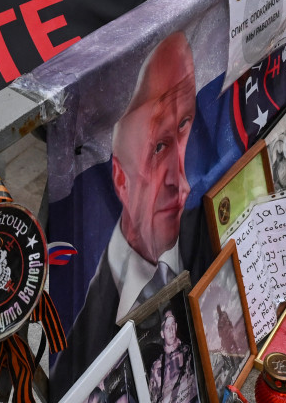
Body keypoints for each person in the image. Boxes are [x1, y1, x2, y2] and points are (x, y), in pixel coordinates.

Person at [55, 33, 195, 398]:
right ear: (120, 178)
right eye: (159, 147)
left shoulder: (211, 234)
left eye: (185, 125)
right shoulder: (74, 346)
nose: (182, 182)